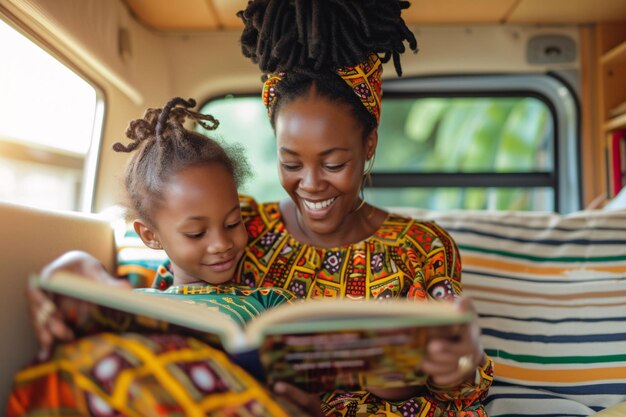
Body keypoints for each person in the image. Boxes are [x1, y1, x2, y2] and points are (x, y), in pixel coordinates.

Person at [12, 1, 494, 416]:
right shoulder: (235, 219)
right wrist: (68, 279)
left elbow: (453, 391)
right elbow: (154, 294)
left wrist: (457, 363)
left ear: (368, 144)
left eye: (333, 162)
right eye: (290, 162)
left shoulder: (421, 248)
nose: (310, 184)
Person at [8, 97, 298, 417]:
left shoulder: (267, 301)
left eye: (233, 223)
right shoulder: (135, 303)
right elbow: (74, 269)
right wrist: (66, 279)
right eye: (196, 233)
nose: (221, 243)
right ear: (150, 236)